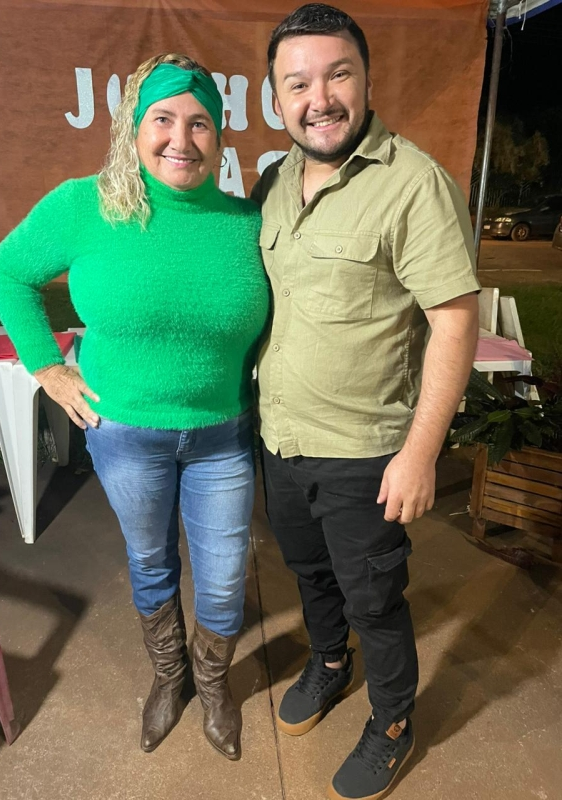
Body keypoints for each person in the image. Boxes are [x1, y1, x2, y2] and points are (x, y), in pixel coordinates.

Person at [0, 53, 270, 761]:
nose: (182, 138)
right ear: (133, 129)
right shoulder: (85, 206)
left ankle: (213, 686)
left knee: (225, 579)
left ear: (219, 135)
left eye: (200, 123)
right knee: (150, 563)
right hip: (125, 436)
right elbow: (9, 272)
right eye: (163, 119)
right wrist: (47, 367)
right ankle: (170, 679)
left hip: (222, 436)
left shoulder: (246, 222)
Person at [252, 5, 480, 799]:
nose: (319, 98)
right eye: (297, 83)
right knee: (308, 574)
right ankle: (329, 662)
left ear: (367, 80)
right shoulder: (273, 183)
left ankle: (391, 723)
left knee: (374, 600)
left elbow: (455, 322)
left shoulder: (414, 184)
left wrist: (420, 454)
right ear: (276, 98)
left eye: (337, 74)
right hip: (281, 440)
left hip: (364, 455)